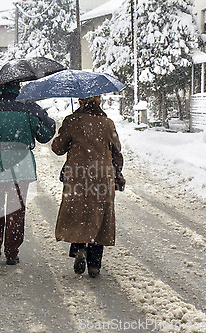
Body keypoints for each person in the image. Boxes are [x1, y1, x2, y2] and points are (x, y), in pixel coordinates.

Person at [0, 81, 56, 265]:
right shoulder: (29, 107)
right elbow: (45, 135)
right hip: (20, 167)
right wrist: (46, 118)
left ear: (0, 87)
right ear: (19, 87)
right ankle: (12, 252)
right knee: (16, 209)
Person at [51, 95, 124, 278]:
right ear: (99, 102)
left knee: (79, 212)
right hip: (102, 175)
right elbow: (117, 151)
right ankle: (94, 264)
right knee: (98, 214)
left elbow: (58, 148)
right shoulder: (107, 123)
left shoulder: (72, 121)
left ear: (80, 101)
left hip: (78, 174)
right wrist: (118, 172)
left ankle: (79, 248)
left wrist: (67, 131)